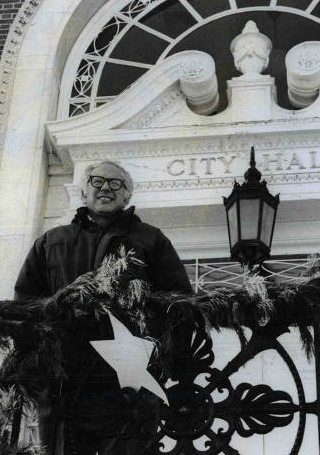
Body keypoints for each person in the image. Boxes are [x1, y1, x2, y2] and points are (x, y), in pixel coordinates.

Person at [14, 160, 192, 454]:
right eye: (97, 181)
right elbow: (25, 305)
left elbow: (179, 303)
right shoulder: (51, 242)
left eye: (116, 184)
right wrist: (36, 362)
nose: (106, 188)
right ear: (83, 192)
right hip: (64, 382)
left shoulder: (150, 240)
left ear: (127, 197)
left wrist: (159, 361)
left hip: (127, 383)